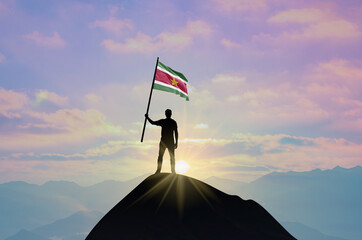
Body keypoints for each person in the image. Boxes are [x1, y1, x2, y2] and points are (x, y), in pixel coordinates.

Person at [145, 109, 178, 174]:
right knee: (162, 156)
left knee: (169, 157)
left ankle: (171, 170)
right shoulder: (168, 122)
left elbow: (176, 133)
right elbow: (153, 123)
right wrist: (147, 117)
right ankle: (159, 170)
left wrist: (176, 142)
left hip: (167, 141)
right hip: (165, 142)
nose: (167, 114)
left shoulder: (171, 122)